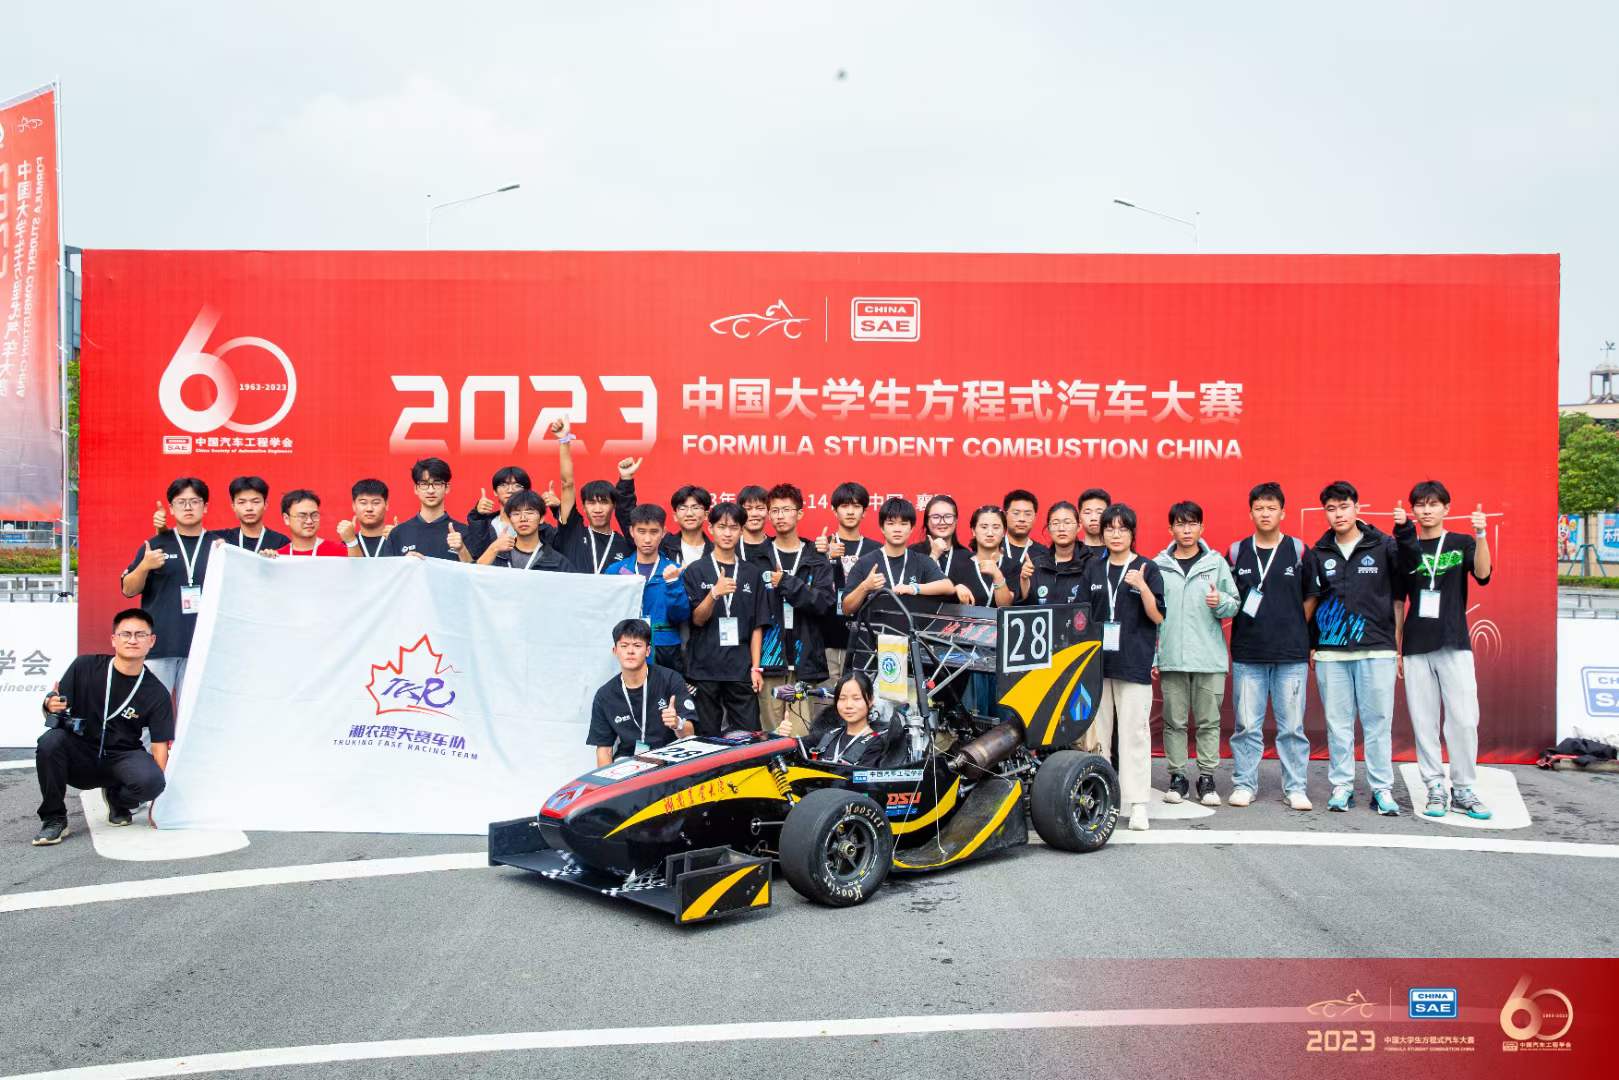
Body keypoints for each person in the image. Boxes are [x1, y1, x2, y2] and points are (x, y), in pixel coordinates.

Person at [1393, 481, 1494, 820]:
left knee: (1464, 720)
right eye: (1420, 504)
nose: (1427, 510)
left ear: (1446, 508)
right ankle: (1434, 786)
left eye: (1433, 504)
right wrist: (1397, 648)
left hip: (1454, 642)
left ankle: (1463, 788)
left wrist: (1481, 535)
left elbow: (1483, 573)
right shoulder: (1404, 546)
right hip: (1416, 645)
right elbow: (1397, 601)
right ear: (1413, 510)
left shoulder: (1461, 542)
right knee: (1424, 721)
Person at [32, 609, 174, 845]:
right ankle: (54, 818)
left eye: (140, 634)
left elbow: (160, 746)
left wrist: (157, 794)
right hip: (81, 751)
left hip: (123, 755)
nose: (132, 640)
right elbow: (55, 708)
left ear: (151, 641)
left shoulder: (157, 692)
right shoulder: (85, 666)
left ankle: (118, 797)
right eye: (125, 634)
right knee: (50, 741)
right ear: (113, 639)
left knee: (152, 782)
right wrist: (49, 703)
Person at [1312, 480, 1404, 816]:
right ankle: (1342, 786)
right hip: (1331, 651)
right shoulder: (1319, 552)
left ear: (1357, 508)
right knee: (1338, 723)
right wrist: (1312, 644)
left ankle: (1382, 788)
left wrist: (1397, 647)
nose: (1338, 514)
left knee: (1378, 721)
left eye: (1344, 507)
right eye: (1331, 509)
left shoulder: (1384, 545)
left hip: (1376, 649)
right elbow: (1312, 601)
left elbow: (1400, 597)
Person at [1226, 482, 1320, 811]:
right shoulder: (1236, 552)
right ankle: (1244, 784)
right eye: (1259, 508)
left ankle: (1295, 788)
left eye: (1271, 508)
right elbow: (1227, 597)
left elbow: (1312, 596)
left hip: (1291, 654)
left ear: (1283, 512)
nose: (1265, 514)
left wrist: (1291, 623)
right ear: (1250, 512)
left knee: (1292, 727)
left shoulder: (1299, 551)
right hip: (1248, 653)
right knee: (1246, 726)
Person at [1080, 504, 1164, 832]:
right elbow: (1082, 615)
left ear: (1132, 533)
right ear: (1102, 533)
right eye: (1110, 529)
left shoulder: (1147, 568)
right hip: (1098, 664)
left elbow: (1158, 616)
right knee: (1097, 735)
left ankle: (1138, 803)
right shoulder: (1093, 569)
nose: (1116, 535)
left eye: (1123, 529)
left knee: (1134, 734)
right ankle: (1101, 796)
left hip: (1134, 663)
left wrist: (1142, 587)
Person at [1152, 501, 1240, 807]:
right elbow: (1151, 615)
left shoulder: (1215, 563)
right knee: (1173, 722)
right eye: (1180, 524)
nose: (1186, 530)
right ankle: (1177, 776)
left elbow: (1234, 603)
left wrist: (1221, 601)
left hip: (1208, 658)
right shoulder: (1158, 565)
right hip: (1172, 658)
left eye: (1192, 524)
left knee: (1208, 722)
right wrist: (1155, 656)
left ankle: (1207, 778)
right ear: (1170, 529)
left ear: (1202, 528)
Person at [121, 477, 215, 701]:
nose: (188, 507)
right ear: (171, 508)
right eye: (181, 502)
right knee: (150, 714)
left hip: (203, 648)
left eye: (195, 501)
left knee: (193, 715)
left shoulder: (218, 546)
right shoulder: (156, 544)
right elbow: (128, 589)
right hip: (159, 646)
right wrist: (145, 566)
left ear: (205, 507)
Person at [683, 502, 769, 735]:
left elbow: (757, 626)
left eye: (733, 527)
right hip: (704, 669)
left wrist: (756, 668)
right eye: (722, 527)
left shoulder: (752, 573)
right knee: (706, 738)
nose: (728, 533)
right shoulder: (696, 570)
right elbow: (697, 620)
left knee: (749, 737)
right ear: (710, 528)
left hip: (740, 668)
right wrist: (714, 593)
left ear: (741, 530)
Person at [759, 484, 834, 736]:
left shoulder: (816, 556)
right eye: (775, 510)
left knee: (802, 736)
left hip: (804, 661)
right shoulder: (760, 556)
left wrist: (787, 583)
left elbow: (824, 603)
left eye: (786, 509)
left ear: (800, 513)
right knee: (769, 737)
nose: (780, 516)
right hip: (770, 661)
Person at [586, 619, 698, 765]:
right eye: (624, 646)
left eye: (637, 645)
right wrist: (605, 778)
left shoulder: (670, 679)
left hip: (670, 755)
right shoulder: (604, 696)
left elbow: (690, 734)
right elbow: (604, 750)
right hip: (629, 759)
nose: (630, 651)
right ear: (615, 651)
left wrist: (678, 724)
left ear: (647, 651)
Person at [608, 503, 690, 668]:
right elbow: (607, 614)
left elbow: (681, 616)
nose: (647, 539)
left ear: (663, 532)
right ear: (632, 531)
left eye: (654, 532)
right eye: (641, 531)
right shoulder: (616, 571)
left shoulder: (674, 571)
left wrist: (672, 584)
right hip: (628, 647)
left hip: (665, 649)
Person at [553, 418, 636, 573]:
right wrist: (564, 440)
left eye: (604, 502)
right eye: (591, 503)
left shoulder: (624, 544)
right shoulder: (572, 532)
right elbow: (567, 484)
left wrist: (626, 479)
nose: (598, 509)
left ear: (614, 505)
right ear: (584, 507)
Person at [818, 481, 875, 681]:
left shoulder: (876, 550)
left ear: (864, 512)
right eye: (844, 506)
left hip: (864, 642)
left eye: (856, 506)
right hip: (827, 640)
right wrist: (825, 557)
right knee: (826, 698)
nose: (850, 512)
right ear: (834, 511)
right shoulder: (822, 546)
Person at [780, 671, 886, 767]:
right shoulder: (827, 735)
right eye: (842, 698)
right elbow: (787, 753)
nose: (848, 705)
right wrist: (782, 736)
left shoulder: (880, 742)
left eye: (856, 698)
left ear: (870, 700)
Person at [380, 457, 471, 561]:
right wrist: (404, 563)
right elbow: (388, 570)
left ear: (447, 488)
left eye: (437, 484)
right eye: (424, 484)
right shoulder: (398, 533)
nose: (430, 490)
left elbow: (476, 570)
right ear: (416, 489)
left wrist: (462, 550)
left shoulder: (464, 532)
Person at [477, 489, 575, 572]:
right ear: (510, 520)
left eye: (530, 512)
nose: (523, 518)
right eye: (516, 514)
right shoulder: (497, 554)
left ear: (541, 518)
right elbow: (474, 580)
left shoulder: (558, 562)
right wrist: (493, 549)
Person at [1021, 501, 1090, 606]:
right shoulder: (1036, 565)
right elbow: (1028, 608)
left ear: (1079, 526)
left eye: (1067, 523)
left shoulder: (1091, 563)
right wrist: (1024, 580)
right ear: (1048, 529)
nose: (1061, 528)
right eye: (1055, 523)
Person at [463, 465, 537, 560]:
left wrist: (555, 508)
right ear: (495, 491)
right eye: (503, 485)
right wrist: (478, 514)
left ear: (526, 492)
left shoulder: (537, 526)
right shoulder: (482, 526)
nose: (510, 490)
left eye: (517, 485)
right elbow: (472, 562)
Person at [950, 505, 1018, 608]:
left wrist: (997, 575)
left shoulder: (1014, 566)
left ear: (1004, 532)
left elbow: (1005, 606)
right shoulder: (959, 565)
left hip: (1000, 619)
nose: (990, 533)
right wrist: (955, 588)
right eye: (984, 527)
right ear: (973, 530)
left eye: (996, 527)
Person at [213, 475, 289, 553]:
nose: (249, 508)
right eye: (242, 502)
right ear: (233, 506)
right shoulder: (220, 538)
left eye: (255, 502)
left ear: (265, 505)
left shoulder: (281, 542)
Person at [909, 495, 971, 577]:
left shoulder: (966, 556)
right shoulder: (913, 552)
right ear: (927, 521)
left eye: (948, 516)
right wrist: (934, 555)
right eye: (936, 517)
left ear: (956, 520)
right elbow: (913, 582)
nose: (942, 522)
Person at [274, 490, 349, 557]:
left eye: (314, 515)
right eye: (302, 516)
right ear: (286, 519)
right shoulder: (278, 557)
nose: (309, 521)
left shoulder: (339, 551)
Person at [337, 478, 393, 558]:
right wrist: (351, 541)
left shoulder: (397, 541)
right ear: (354, 506)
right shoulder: (345, 544)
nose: (369, 509)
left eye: (376, 503)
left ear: (386, 505)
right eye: (363, 503)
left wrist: (398, 541)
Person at [666, 484, 714, 564]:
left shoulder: (715, 552)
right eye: (683, 508)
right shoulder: (663, 546)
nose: (689, 513)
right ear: (675, 516)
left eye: (695, 508)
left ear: (706, 515)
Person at [1002, 489, 1048, 568]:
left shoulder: (1044, 554)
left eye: (1027, 514)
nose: (1022, 519)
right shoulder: (992, 547)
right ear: (1005, 515)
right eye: (1016, 513)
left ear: (1034, 517)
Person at [736, 484, 773, 569]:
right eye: (748, 509)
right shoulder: (729, 548)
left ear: (768, 512)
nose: (754, 514)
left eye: (760, 508)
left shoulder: (776, 547)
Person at [1078, 488, 1112, 554]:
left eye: (1099, 512)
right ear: (1079, 517)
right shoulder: (1072, 551)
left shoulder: (1117, 550)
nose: (1093, 518)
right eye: (1087, 512)